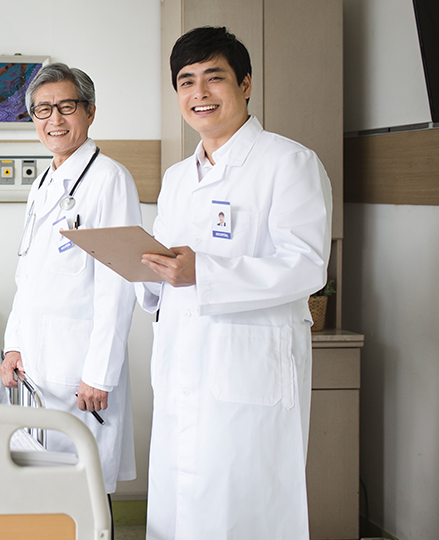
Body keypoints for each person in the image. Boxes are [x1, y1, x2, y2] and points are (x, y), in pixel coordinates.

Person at [138, 26, 332, 540]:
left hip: (248, 370)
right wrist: (142, 270)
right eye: (186, 81)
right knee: (180, 505)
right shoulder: (178, 177)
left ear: (245, 84)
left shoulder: (288, 162)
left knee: (242, 507)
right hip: (182, 362)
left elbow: (306, 265)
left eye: (214, 78)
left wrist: (204, 272)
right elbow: (167, 265)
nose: (199, 93)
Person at [0, 63, 141, 494]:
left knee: (86, 491)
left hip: (81, 371)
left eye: (66, 106)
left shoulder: (109, 180)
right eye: (43, 110)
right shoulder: (42, 183)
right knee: (46, 491)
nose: (54, 120)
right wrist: (13, 345)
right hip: (37, 369)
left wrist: (99, 372)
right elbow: (28, 275)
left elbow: (119, 283)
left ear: (90, 111)